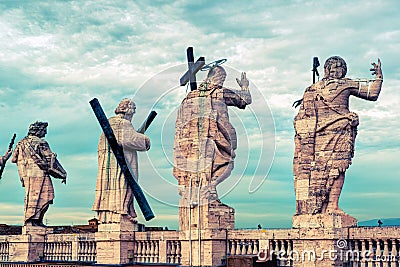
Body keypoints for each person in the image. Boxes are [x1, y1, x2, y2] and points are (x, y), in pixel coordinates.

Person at [293, 56, 383, 215]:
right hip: (321, 136)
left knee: (336, 168)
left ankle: (331, 206)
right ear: (326, 70)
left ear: (344, 70)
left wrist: (378, 77)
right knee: (323, 170)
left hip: (339, 132)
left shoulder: (344, 84)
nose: (335, 71)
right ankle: (327, 207)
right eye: (332, 68)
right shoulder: (312, 89)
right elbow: (372, 93)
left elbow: (371, 93)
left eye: (339, 67)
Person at [173, 66, 252, 200]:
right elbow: (245, 99)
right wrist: (244, 87)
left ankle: (201, 190)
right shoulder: (219, 92)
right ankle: (211, 186)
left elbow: (179, 124)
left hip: (190, 142)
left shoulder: (189, 97)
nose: (222, 81)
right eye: (222, 77)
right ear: (216, 77)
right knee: (227, 162)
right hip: (214, 137)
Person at [92, 98, 150, 224]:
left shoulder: (109, 123)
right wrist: (145, 140)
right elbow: (128, 139)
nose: (133, 113)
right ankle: (121, 212)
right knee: (123, 185)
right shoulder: (123, 123)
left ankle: (110, 215)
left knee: (110, 188)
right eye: (133, 110)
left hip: (109, 165)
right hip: (121, 164)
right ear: (127, 110)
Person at [12, 121, 67, 226]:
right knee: (47, 195)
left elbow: (14, 159)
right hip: (39, 173)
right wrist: (63, 173)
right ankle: (36, 220)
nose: (45, 133)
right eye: (44, 131)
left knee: (30, 197)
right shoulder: (41, 143)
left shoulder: (21, 143)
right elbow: (49, 159)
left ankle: (31, 221)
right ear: (39, 130)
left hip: (26, 175)